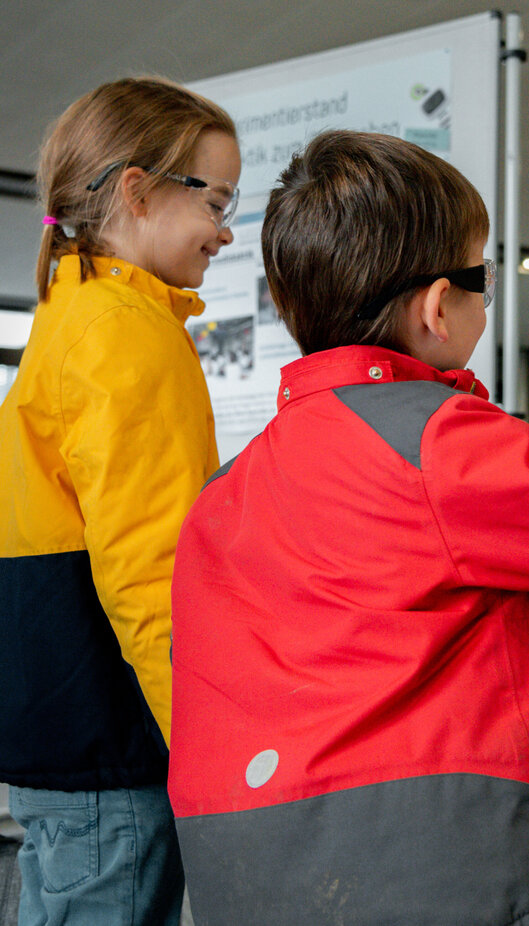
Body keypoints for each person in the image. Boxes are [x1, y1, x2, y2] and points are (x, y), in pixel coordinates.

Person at [167, 129, 529, 926]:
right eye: (483, 276)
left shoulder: (226, 492)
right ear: (439, 307)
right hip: (439, 872)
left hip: (247, 876)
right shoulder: (434, 439)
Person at [0, 77, 240, 926]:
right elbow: (152, 570)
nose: (225, 226)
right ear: (137, 189)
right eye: (215, 198)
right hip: (115, 743)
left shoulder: (77, 312)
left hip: (75, 731)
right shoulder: (123, 333)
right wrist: (209, 746)